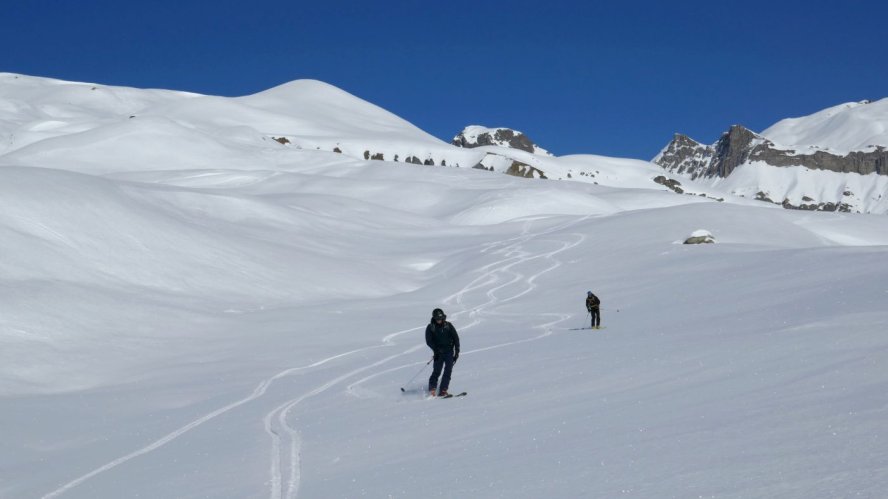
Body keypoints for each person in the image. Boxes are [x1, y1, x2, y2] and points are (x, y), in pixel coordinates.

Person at [426, 308, 460, 397]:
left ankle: (443, 390)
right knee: (437, 371)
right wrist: (436, 350)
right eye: (437, 318)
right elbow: (429, 341)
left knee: (448, 371)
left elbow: (456, 339)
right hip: (438, 353)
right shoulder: (430, 327)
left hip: (449, 352)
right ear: (434, 318)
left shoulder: (448, 326)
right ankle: (432, 388)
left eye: (440, 318)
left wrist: (457, 352)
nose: (439, 320)